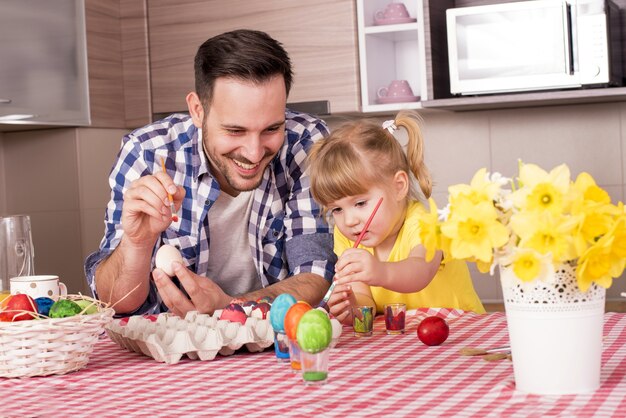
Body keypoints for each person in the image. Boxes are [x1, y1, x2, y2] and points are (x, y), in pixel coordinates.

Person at [85, 29, 336, 317]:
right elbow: (116, 304)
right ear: (197, 110)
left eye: (272, 128)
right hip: (171, 349)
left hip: (274, 340)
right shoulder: (148, 152)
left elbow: (315, 275)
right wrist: (136, 244)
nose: (254, 153)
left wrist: (229, 307)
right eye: (235, 130)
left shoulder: (305, 142)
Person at [308, 110, 485, 325]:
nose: (349, 220)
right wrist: (351, 306)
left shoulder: (425, 223)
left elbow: (420, 270)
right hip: (404, 340)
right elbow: (365, 304)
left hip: (461, 331)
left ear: (399, 187)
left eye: (360, 203)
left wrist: (379, 271)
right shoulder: (347, 237)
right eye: (337, 209)